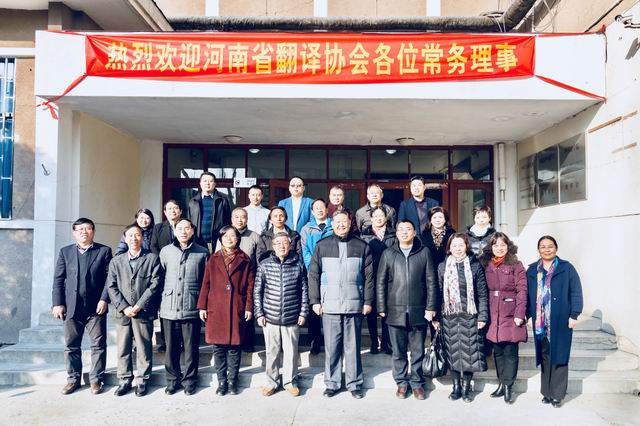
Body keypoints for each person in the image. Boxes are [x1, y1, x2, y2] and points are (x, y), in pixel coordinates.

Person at [308, 211, 374, 399]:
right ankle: (332, 383)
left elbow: (369, 277)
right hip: (330, 304)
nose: (341, 225)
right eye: (337, 222)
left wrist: (368, 301)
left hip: (354, 303)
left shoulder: (361, 246)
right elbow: (313, 275)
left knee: (353, 346)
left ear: (350, 222)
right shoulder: (322, 245)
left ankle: (354, 383)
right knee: (332, 347)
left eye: (344, 221)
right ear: (332, 224)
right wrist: (315, 301)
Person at [376, 220, 438, 400]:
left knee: (418, 351)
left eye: (408, 229)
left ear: (414, 232)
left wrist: (431, 306)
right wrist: (381, 306)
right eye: (401, 229)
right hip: (395, 310)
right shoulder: (388, 253)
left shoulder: (424, 252)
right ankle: (402, 383)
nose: (404, 232)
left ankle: (417, 383)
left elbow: (431, 281)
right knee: (398, 351)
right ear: (396, 233)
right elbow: (380, 282)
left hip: (419, 310)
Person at [52, 218, 113, 395]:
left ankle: (96, 379)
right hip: (72, 307)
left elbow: (110, 279)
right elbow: (58, 279)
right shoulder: (65, 252)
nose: (84, 232)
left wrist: (104, 299)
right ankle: (73, 380)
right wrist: (57, 303)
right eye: (80, 229)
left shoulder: (104, 251)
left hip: (96, 307)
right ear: (74, 233)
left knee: (98, 345)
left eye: (88, 228)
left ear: (93, 231)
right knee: (71, 345)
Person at [526, 236, 583, 408]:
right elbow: (527, 295)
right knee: (545, 356)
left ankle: (557, 395)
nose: (547, 249)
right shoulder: (532, 270)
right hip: (540, 322)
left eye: (550, 246)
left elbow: (576, 292)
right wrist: (527, 315)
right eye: (543, 247)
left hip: (561, 319)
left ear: (556, 248)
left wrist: (574, 315)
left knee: (560, 356)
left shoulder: (566, 268)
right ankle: (546, 392)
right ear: (538, 250)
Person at [198, 226, 254, 396]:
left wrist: (248, 307)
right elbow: (205, 283)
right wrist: (202, 306)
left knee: (234, 347)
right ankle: (221, 381)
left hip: (236, 306)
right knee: (218, 348)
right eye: (226, 236)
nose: (229, 239)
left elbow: (251, 286)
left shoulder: (245, 259)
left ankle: (232, 381)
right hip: (216, 308)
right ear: (221, 239)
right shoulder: (213, 259)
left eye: (233, 236)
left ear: (238, 239)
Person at [107, 224, 163, 397]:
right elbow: (111, 286)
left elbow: (155, 284)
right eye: (130, 235)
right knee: (123, 348)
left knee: (143, 347)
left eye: (137, 235)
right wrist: (124, 307)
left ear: (142, 237)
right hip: (122, 313)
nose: (134, 238)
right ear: (124, 238)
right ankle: (124, 380)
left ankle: (142, 380)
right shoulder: (116, 261)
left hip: (143, 311)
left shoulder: (152, 258)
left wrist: (139, 305)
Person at [254, 232, 309, 397]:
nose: (281, 246)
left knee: (291, 352)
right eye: (278, 243)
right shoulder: (264, 265)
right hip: (270, 316)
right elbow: (257, 291)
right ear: (273, 246)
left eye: (285, 243)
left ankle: (290, 382)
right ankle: (272, 382)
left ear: (290, 245)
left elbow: (304, 290)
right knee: (272, 352)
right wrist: (259, 313)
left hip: (292, 316)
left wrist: (303, 312)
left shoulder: (298, 264)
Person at [159, 218, 209, 396]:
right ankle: (172, 380)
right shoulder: (165, 251)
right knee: (171, 348)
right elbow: (159, 279)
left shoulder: (202, 252)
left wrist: (203, 305)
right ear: (174, 231)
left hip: (191, 307)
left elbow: (206, 282)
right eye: (179, 228)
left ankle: (189, 381)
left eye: (187, 228)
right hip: (169, 307)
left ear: (192, 231)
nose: (183, 231)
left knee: (191, 348)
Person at [437, 233, 489, 403]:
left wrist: (482, 316)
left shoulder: (475, 266)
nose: (457, 248)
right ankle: (456, 387)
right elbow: (438, 293)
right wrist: (436, 317)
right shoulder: (442, 267)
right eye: (454, 245)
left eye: (461, 245)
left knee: (469, 352)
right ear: (449, 248)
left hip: (470, 315)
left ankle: (466, 388)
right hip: (449, 315)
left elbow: (482, 294)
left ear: (466, 246)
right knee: (452, 352)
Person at [478, 232, 527, 404]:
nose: (499, 248)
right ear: (491, 247)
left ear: (508, 247)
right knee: (497, 351)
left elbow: (522, 290)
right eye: (496, 245)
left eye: (503, 245)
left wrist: (520, 313)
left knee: (510, 351)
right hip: (493, 311)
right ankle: (501, 383)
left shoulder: (516, 264)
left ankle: (508, 386)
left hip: (510, 311)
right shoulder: (485, 264)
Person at [359, 206, 395, 354]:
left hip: (389, 277)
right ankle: (374, 341)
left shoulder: (393, 235)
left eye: (381, 216)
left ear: (386, 218)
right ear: (371, 218)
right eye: (376, 216)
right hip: (371, 277)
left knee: (387, 310)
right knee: (371, 311)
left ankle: (386, 342)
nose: (379, 219)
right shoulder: (364, 235)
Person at [299, 198, 333, 355]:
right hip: (312, 273)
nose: (319, 210)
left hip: (331, 273)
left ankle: (331, 342)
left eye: (322, 207)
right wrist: (312, 268)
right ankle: (314, 342)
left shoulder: (333, 225)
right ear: (312, 212)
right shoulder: (307, 229)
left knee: (330, 308)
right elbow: (305, 251)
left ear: (327, 209)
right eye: (316, 208)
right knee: (314, 306)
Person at [150, 200, 182, 352]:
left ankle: (181, 341)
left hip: (182, 271)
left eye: (175, 208)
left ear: (180, 211)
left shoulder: (187, 226)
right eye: (169, 209)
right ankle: (164, 341)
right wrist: (163, 263)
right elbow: (153, 247)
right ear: (164, 212)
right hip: (163, 272)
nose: (172, 211)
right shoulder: (158, 228)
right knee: (165, 307)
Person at [188, 172, 232, 252]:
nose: (207, 183)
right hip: (197, 242)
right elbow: (189, 222)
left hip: (217, 242)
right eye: (205, 181)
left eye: (210, 181)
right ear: (200, 183)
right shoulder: (193, 201)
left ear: (215, 184)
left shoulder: (222, 201)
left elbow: (227, 223)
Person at [421, 207, 456, 276]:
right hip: (429, 270)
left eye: (440, 217)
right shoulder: (425, 234)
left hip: (448, 269)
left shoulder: (452, 233)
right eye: (434, 217)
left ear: (445, 219)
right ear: (430, 220)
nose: (437, 220)